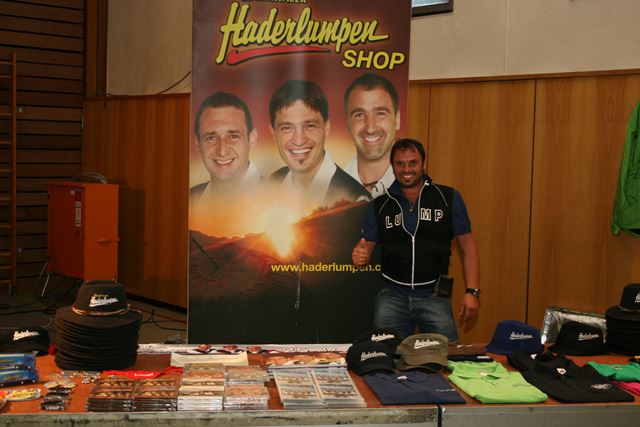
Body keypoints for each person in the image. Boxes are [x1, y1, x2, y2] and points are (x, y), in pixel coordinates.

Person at [351, 138, 480, 342]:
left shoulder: (448, 197)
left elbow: (468, 247)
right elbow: (366, 249)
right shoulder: (380, 205)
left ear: (423, 164)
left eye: (413, 163)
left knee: (445, 357)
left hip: (434, 297)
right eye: (400, 164)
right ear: (393, 166)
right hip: (391, 299)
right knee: (387, 356)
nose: (406, 169)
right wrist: (360, 255)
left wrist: (472, 291)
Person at [269, 80, 369, 212]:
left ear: (327, 127)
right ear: (273, 132)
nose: (299, 140)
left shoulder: (356, 201)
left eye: (310, 126)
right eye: (286, 128)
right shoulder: (273, 182)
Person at [190, 91, 262, 203]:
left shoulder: (280, 196)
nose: (222, 151)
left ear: (252, 138)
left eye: (233, 137)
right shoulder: (189, 200)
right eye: (211, 138)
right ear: (197, 143)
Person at [344, 73, 399, 199]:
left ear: (397, 119)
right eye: (359, 115)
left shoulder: (418, 190)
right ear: (348, 125)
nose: (370, 128)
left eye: (380, 113)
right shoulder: (329, 190)